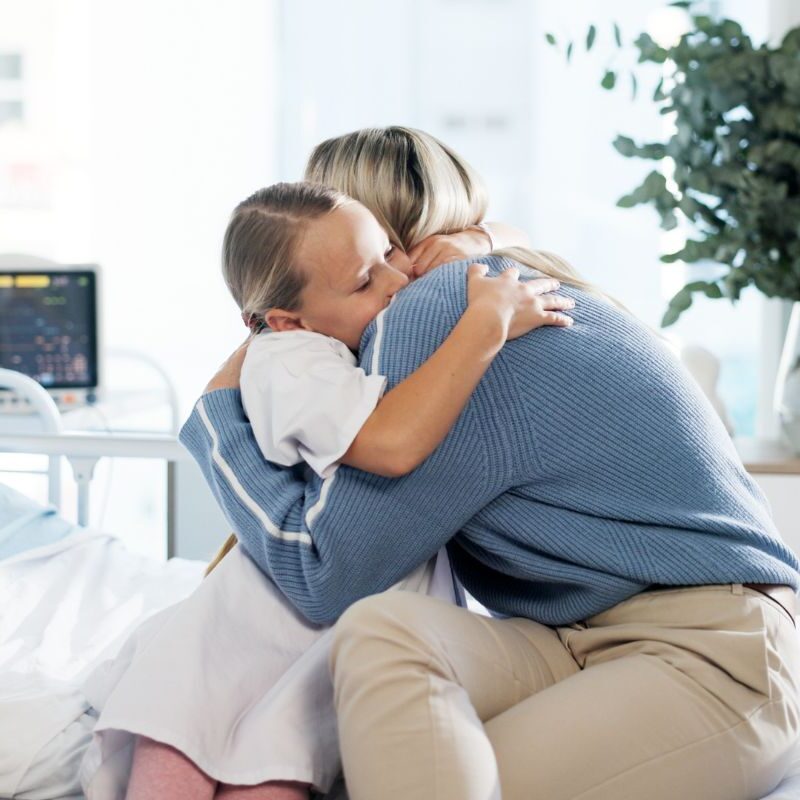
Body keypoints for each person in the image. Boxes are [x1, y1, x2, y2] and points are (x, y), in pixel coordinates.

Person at [179, 127, 800, 800]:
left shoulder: (432, 317)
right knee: (383, 635)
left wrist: (217, 416)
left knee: (393, 774)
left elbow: (323, 572)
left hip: (715, 658)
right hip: (584, 641)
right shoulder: (497, 279)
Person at [80, 129, 575, 800]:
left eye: (395, 256)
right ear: (289, 316)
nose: (401, 280)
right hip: (271, 618)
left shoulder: (347, 319)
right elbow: (390, 445)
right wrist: (482, 324)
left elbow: (503, 231)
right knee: (194, 742)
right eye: (373, 273)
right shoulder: (295, 357)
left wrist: (476, 245)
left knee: (272, 754)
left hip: (325, 622)